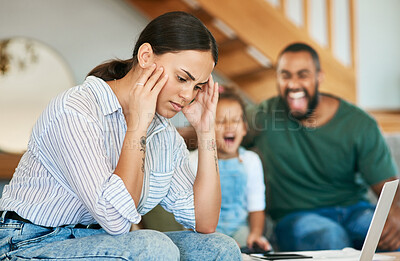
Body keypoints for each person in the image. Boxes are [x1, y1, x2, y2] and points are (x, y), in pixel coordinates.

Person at [0, 11, 242, 260]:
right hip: (27, 243)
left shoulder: (164, 135)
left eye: (197, 86)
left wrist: (205, 132)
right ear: (146, 56)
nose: (187, 95)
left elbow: (204, 222)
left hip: (98, 240)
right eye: (182, 78)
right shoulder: (76, 109)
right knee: (153, 247)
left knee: (218, 248)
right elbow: (115, 221)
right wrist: (137, 124)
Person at [245, 42, 400, 251]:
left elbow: (387, 184)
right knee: (329, 237)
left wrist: (396, 216)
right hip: (297, 217)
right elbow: (222, 130)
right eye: (285, 75)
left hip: (354, 210)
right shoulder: (263, 116)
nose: (293, 84)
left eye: (302, 75)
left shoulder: (358, 122)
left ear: (319, 77)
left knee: (391, 240)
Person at [188, 87, 271, 251]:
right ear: (206, 127)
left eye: (235, 120)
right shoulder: (192, 161)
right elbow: (187, 213)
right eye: (220, 121)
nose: (229, 126)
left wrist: (255, 234)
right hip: (201, 233)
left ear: (245, 128)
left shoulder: (250, 161)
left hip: (239, 230)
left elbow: (256, 207)